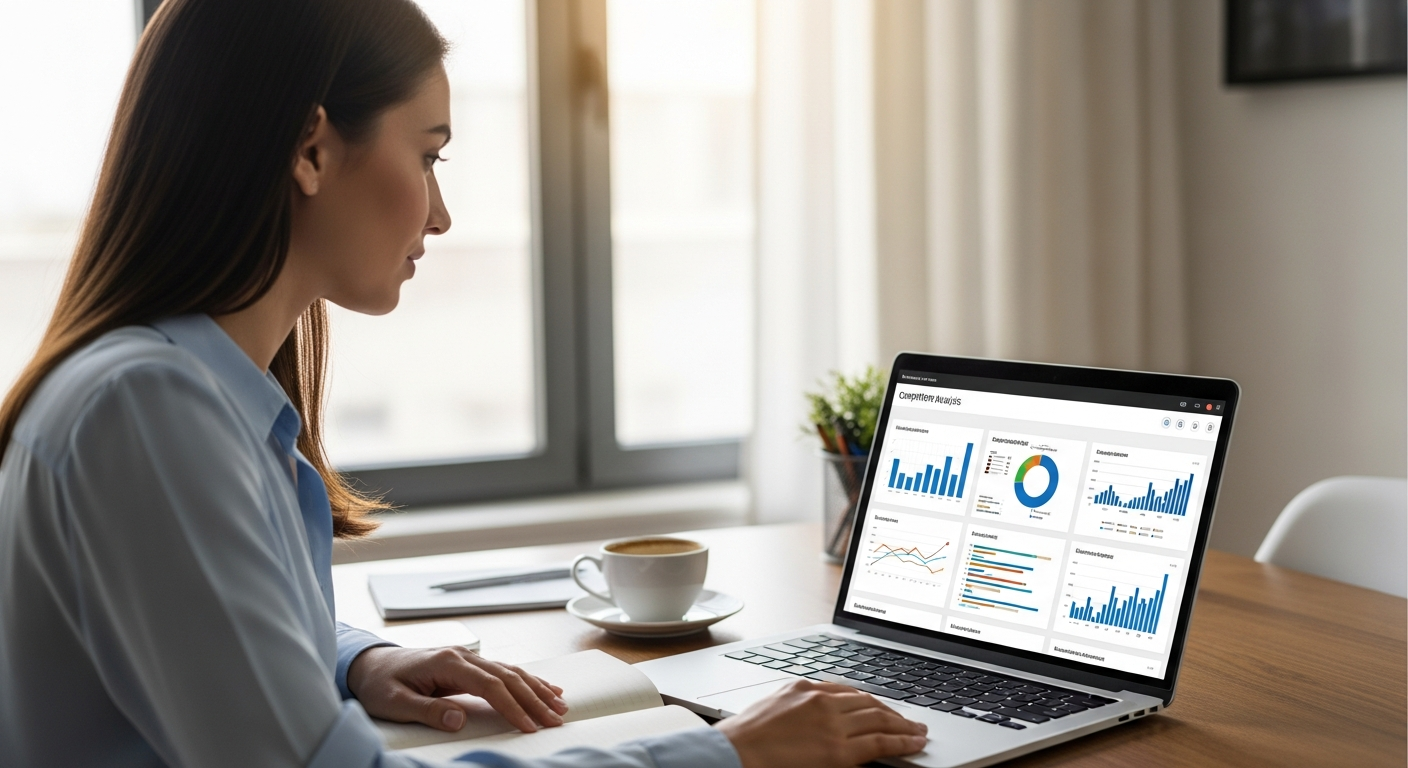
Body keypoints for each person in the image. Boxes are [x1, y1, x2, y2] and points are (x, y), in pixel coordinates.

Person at [0, 0, 929, 766]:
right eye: (430, 154)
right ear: (311, 150)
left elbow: (190, 633)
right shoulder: (149, 414)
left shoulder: (181, 397)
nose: (441, 215)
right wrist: (734, 755)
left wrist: (358, 660)